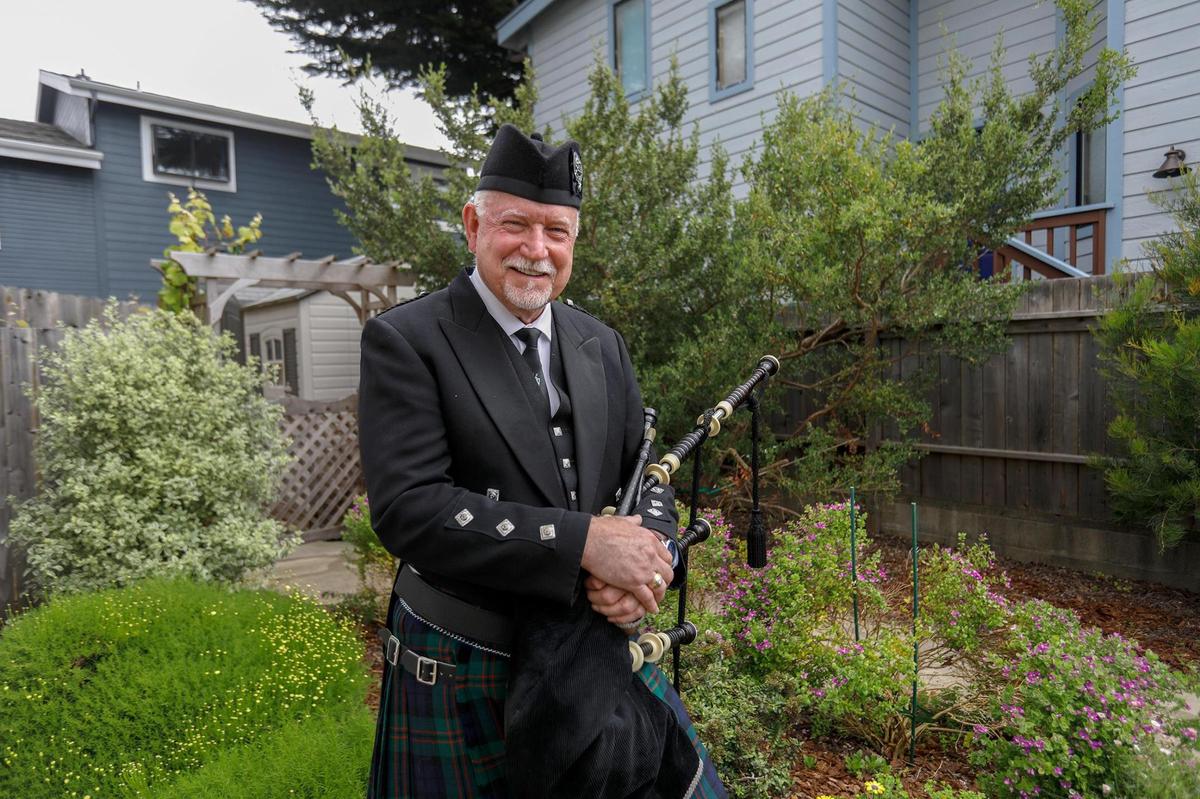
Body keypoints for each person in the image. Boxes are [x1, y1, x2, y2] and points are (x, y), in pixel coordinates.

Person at [359, 124, 726, 798]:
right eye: (516, 225)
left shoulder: (600, 344)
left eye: (556, 231)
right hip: (463, 658)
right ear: (473, 224)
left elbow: (644, 479)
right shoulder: (408, 340)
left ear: (575, 241)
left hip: (586, 651)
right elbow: (409, 508)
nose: (536, 250)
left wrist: (650, 560)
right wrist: (586, 543)